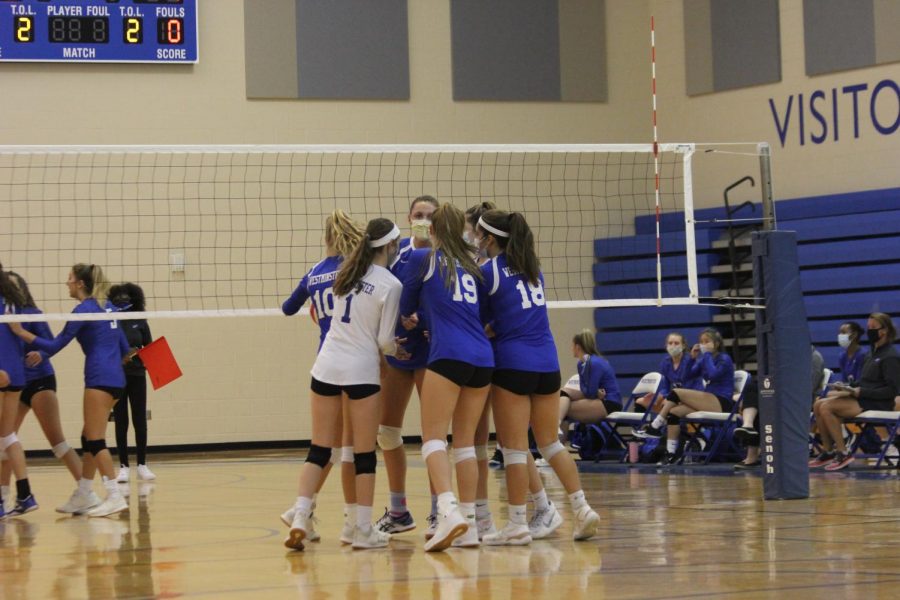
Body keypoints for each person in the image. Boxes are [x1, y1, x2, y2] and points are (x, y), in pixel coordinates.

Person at [475, 209, 600, 546]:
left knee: (514, 447)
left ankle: (516, 523)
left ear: (488, 238)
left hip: (513, 364)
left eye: (478, 234)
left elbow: (481, 321)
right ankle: (582, 507)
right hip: (548, 364)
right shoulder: (534, 270)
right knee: (549, 443)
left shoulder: (488, 272)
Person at [285, 218, 405, 551]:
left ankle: (300, 517)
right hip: (360, 371)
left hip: (325, 366)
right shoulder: (391, 283)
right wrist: (398, 348)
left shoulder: (345, 274)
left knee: (320, 450)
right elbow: (384, 342)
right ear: (392, 246)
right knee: (364, 454)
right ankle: (362, 530)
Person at [399, 202, 493, 552]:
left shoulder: (422, 260)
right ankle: (467, 527)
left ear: (434, 230)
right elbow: (474, 312)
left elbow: (406, 307)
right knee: (466, 443)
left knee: (433, 440)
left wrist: (414, 321)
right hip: (482, 357)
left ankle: (448, 509)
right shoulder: (473, 266)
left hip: (449, 355)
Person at [9, 264, 132, 517]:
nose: (67, 283)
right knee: (88, 436)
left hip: (98, 378)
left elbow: (56, 345)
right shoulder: (109, 308)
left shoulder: (84, 309)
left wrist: (22, 332)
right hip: (117, 380)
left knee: (96, 439)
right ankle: (84, 492)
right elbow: (124, 349)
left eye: (70, 279)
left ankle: (114, 494)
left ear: (81, 284)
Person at [280, 210, 365, 544]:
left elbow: (288, 308)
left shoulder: (314, 272)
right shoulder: (357, 271)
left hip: (324, 363)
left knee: (323, 447)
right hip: (355, 364)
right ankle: (353, 521)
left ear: (326, 237)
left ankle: (302, 510)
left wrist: (316, 307)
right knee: (349, 448)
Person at [0, 271, 92, 514]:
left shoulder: (33, 314)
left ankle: (87, 492)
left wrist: (41, 354)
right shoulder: (7, 312)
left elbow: (51, 344)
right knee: (7, 441)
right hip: (17, 383)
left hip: (40, 380)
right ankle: (8, 497)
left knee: (57, 443)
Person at [375, 195, 438, 537]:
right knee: (387, 432)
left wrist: (422, 318)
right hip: (398, 354)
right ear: (408, 217)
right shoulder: (394, 253)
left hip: (431, 353)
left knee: (433, 437)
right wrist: (396, 324)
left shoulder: (446, 257)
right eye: (418, 215)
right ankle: (399, 511)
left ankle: (437, 511)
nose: (424, 220)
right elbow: (378, 296)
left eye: (430, 216)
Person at [810, 313, 900, 471]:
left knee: (827, 407)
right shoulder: (871, 353)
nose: (869, 331)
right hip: (863, 397)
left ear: (884, 331)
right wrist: (846, 386)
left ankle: (843, 452)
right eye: (868, 327)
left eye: (873, 328)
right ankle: (829, 451)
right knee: (818, 404)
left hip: (879, 402)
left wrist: (860, 391)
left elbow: (893, 390)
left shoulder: (890, 356)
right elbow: (863, 381)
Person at [634, 328, 735, 464]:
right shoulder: (704, 359)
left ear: (716, 344)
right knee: (674, 413)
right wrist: (692, 359)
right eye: (701, 342)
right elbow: (685, 376)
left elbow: (713, 375)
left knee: (676, 392)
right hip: (709, 400)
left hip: (722, 402)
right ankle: (671, 454)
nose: (703, 344)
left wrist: (706, 356)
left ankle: (655, 425)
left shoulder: (724, 358)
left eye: (707, 341)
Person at [0, 265, 37, 517]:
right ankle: (24, 494)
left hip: (2, 370)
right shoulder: (13, 301)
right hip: (17, 372)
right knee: (7, 436)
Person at [109, 283, 155, 483]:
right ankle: (123, 467)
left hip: (137, 375)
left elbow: (151, 350)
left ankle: (143, 465)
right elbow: (107, 349)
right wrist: (121, 357)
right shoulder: (111, 320)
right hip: (117, 377)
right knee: (121, 420)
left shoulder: (140, 320)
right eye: (118, 297)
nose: (122, 300)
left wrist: (136, 354)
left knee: (139, 420)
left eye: (125, 297)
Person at [558, 330, 622, 430]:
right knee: (562, 392)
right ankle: (557, 426)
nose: (571, 349)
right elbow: (585, 389)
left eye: (572, 346)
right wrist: (596, 393)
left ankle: (556, 425)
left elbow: (589, 393)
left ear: (577, 347)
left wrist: (594, 393)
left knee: (562, 409)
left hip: (609, 403)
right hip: (597, 397)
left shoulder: (594, 363)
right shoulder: (581, 364)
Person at [635, 332, 703, 411]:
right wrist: (658, 395)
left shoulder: (690, 361)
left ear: (683, 346)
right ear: (666, 345)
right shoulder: (665, 362)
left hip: (692, 397)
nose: (673, 346)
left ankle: (666, 422)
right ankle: (643, 423)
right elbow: (665, 387)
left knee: (666, 404)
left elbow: (689, 388)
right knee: (641, 401)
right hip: (674, 396)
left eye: (676, 343)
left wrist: (669, 397)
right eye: (670, 343)